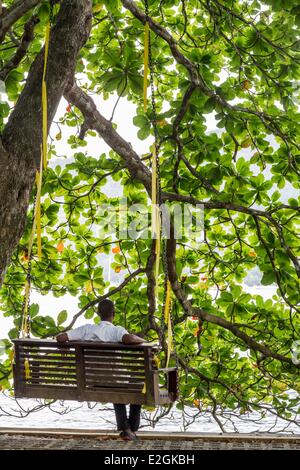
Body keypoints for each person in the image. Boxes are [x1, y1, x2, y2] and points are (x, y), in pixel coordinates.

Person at [56, 298, 145, 441]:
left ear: (98, 313)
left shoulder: (86, 329)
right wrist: (143, 341)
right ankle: (130, 429)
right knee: (137, 383)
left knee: (115, 384)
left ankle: (126, 429)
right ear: (114, 313)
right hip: (115, 381)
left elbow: (61, 337)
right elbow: (128, 339)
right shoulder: (117, 331)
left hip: (91, 381)